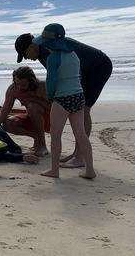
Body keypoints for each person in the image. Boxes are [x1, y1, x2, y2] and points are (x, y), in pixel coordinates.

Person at [15, 27, 111, 166]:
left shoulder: (49, 49)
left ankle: (80, 157)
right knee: (78, 109)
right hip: (81, 70)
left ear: (32, 46)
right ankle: (77, 154)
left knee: (83, 109)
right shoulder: (42, 52)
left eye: (25, 54)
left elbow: (62, 75)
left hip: (97, 67)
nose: (26, 58)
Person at [32, 24, 96, 179]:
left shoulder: (53, 58)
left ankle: (54, 169)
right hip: (78, 96)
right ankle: (90, 170)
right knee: (81, 134)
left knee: (56, 134)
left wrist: (51, 96)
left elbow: (51, 80)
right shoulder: (74, 55)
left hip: (62, 98)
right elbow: (79, 76)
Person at [0, 66, 50, 156]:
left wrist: (34, 100)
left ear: (31, 81)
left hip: (51, 121)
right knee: (8, 123)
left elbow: (57, 107)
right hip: (33, 119)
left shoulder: (42, 86)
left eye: (23, 85)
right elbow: (3, 113)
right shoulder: (13, 89)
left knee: (32, 106)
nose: (19, 88)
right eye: (16, 83)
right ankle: (36, 136)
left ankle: (43, 146)